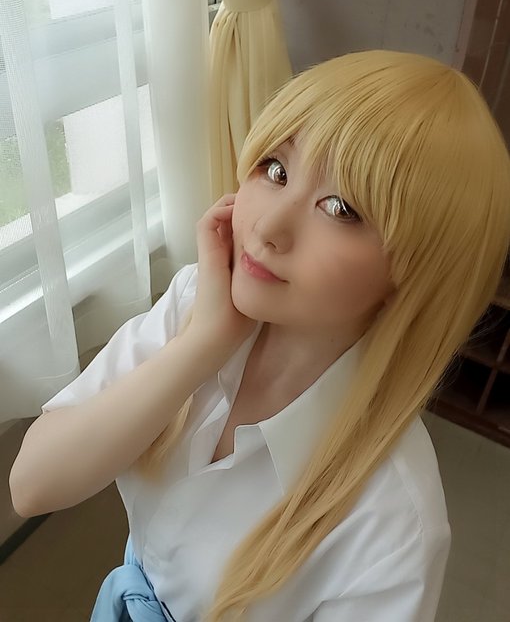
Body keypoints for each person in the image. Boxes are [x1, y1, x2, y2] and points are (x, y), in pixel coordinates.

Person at [10, 50, 510, 622]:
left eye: (340, 208)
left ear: (415, 274)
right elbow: (33, 485)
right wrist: (203, 345)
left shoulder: (395, 523)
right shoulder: (198, 301)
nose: (268, 228)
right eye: (276, 170)